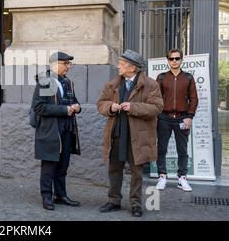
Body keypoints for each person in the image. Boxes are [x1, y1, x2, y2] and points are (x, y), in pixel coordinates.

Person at [97, 49, 163, 217]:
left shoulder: (151, 84)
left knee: (136, 172)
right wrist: (110, 107)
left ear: (132, 68)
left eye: (121, 64)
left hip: (138, 137)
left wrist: (133, 107)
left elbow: (157, 108)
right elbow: (101, 104)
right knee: (114, 170)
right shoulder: (112, 84)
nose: (118, 66)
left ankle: (135, 204)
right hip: (117, 134)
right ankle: (113, 201)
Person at [31, 52, 82, 211]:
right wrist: (64, 109)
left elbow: (73, 101)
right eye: (66, 64)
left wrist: (77, 107)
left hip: (67, 130)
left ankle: (61, 195)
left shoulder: (67, 82)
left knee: (63, 165)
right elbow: (39, 107)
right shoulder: (45, 82)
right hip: (50, 130)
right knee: (49, 165)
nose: (69, 67)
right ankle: (47, 196)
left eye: (69, 64)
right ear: (54, 64)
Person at [155, 49, 198, 192]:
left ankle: (182, 178)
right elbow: (156, 98)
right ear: (167, 60)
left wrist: (189, 116)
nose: (174, 61)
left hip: (182, 117)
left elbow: (193, 99)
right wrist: (157, 114)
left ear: (181, 60)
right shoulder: (161, 77)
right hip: (164, 117)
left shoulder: (188, 78)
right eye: (171, 58)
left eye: (177, 58)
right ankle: (162, 176)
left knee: (182, 149)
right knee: (161, 148)